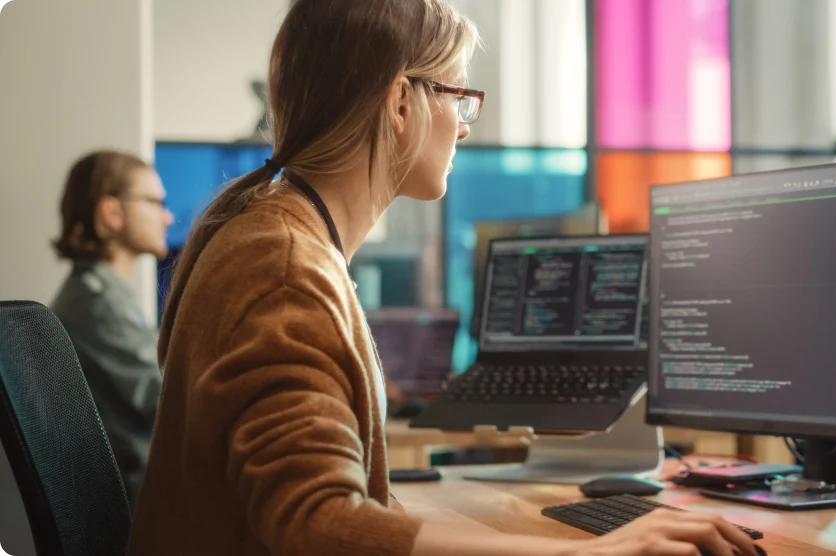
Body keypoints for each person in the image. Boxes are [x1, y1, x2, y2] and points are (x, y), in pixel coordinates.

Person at [126, 1, 761, 555]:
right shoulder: (286, 266)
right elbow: (315, 524)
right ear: (400, 100)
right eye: (457, 95)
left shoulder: (270, 232)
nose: (463, 122)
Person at [49, 150, 173, 509]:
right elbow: (168, 400)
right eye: (154, 202)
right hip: (138, 506)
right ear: (112, 212)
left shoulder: (103, 294)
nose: (167, 216)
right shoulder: (97, 304)